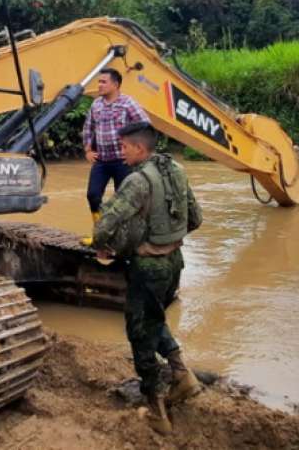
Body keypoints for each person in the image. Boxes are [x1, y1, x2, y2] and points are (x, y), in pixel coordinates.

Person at [90, 121, 204, 435]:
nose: (120, 152)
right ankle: (182, 375)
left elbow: (103, 227)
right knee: (154, 319)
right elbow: (195, 218)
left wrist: (103, 248)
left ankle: (156, 410)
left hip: (148, 267)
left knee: (140, 334)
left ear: (140, 148)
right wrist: (167, 240)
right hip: (175, 262)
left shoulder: (137, 181)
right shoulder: (176, 171)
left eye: (124, 146)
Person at [83, 68, 150, 223]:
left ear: (115, 85)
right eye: (99, 82)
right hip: (101, 160)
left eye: (103, 82)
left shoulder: (127, 103)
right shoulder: (96, 104)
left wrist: (137, 153)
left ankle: (122, 232)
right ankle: (99, 229)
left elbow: (146, 126)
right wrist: (88, 150)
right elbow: (88, 126)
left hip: (123, 161)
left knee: (123, 199)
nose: (99, 85)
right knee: (93, 195)